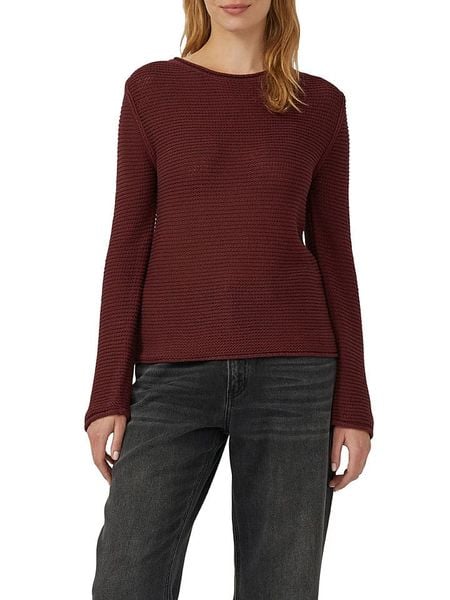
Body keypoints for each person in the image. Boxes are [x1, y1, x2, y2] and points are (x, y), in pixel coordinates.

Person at [85, 1, 374, 598]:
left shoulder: (320, 105)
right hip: (171, 373)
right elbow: (128, 242)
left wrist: (354, 403)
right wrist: (108, 389)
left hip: (296, 377)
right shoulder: (151, 92)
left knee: (281, 588)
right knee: (126, 578)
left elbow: (335, 254)